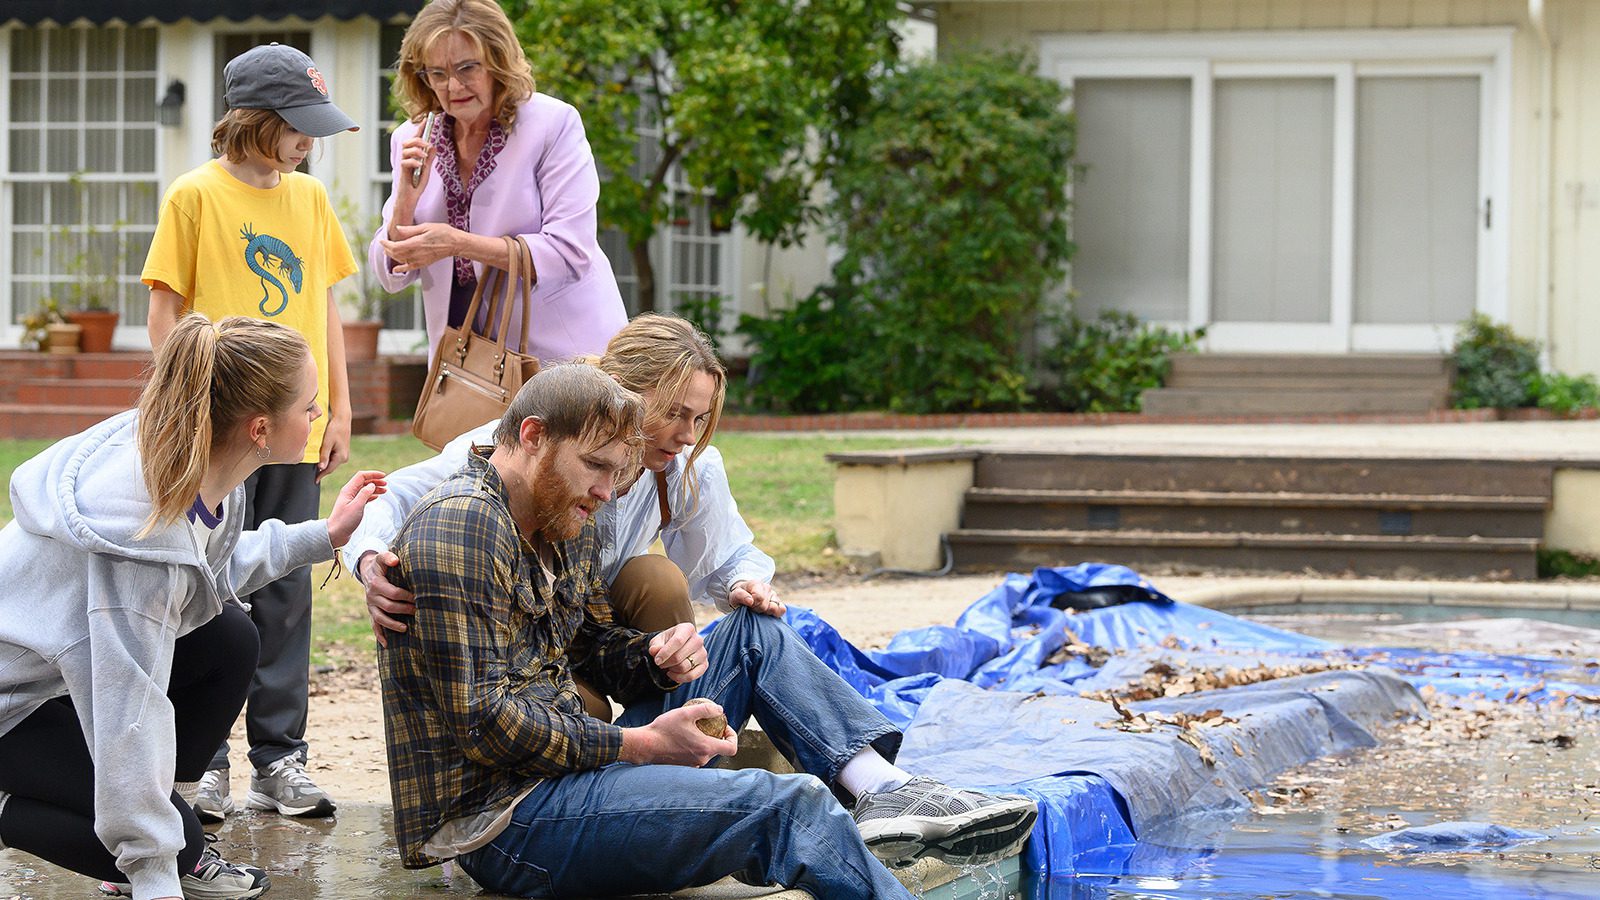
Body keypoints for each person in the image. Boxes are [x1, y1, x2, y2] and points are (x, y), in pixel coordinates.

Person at [378, 365, 1037, 897]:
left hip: (559, 777)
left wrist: (657, 662)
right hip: (503, 826)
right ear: (531, 436)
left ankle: (885, 791)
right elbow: (483, 722)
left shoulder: (555, 518)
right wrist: (637, 746)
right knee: (787, 807)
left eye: (619, 472)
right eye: (597, 467)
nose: (609, 491)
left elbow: (593, 654)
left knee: (753, 635)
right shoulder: (465, 523)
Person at [0, 315, 385, 900]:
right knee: (163, 844)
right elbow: (131, 705)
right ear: (260, 427)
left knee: (230, 636)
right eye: (310, 405)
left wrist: (323, 535)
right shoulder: (139, 541)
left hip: (59, 675)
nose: (317, 414)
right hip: (13, 705)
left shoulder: (199, 458)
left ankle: (161, 820)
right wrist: (156, 867)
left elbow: (203, 573)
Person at [345, 314, 779, 720]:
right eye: (674, 413)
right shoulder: (514, 448)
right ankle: (624, 755)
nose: (687, 437)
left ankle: (672, 728)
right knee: (586, 712)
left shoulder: (684, 467)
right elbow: (391, 495)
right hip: (530, 631)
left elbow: (723, 554)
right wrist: (370, 560)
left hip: (600, 628)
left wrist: (744, 584)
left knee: (657, 579)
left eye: (699, 419)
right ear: (623, 387)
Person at [140, 42, 362, 823]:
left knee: (287, 591)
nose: (309, 144)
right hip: (219, 433)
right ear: (254, 122)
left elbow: (327, 307)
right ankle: (202, 763)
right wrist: (182, 412)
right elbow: (164, 312)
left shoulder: (308, 200)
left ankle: (281, 760)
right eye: (299, 128)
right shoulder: (194, 196)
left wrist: (338, 406)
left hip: (295, 430)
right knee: (204, 588)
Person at [372, 0, 626, 363]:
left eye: (467, 68)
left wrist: (457, 243)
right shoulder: (412, 137)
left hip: (565, 357)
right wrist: (404, 203)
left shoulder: (552, 124)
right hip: (464, 365)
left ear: (498, 61)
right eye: (437, 74)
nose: (453, 86)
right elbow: (391, 276)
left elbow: (570, 253)